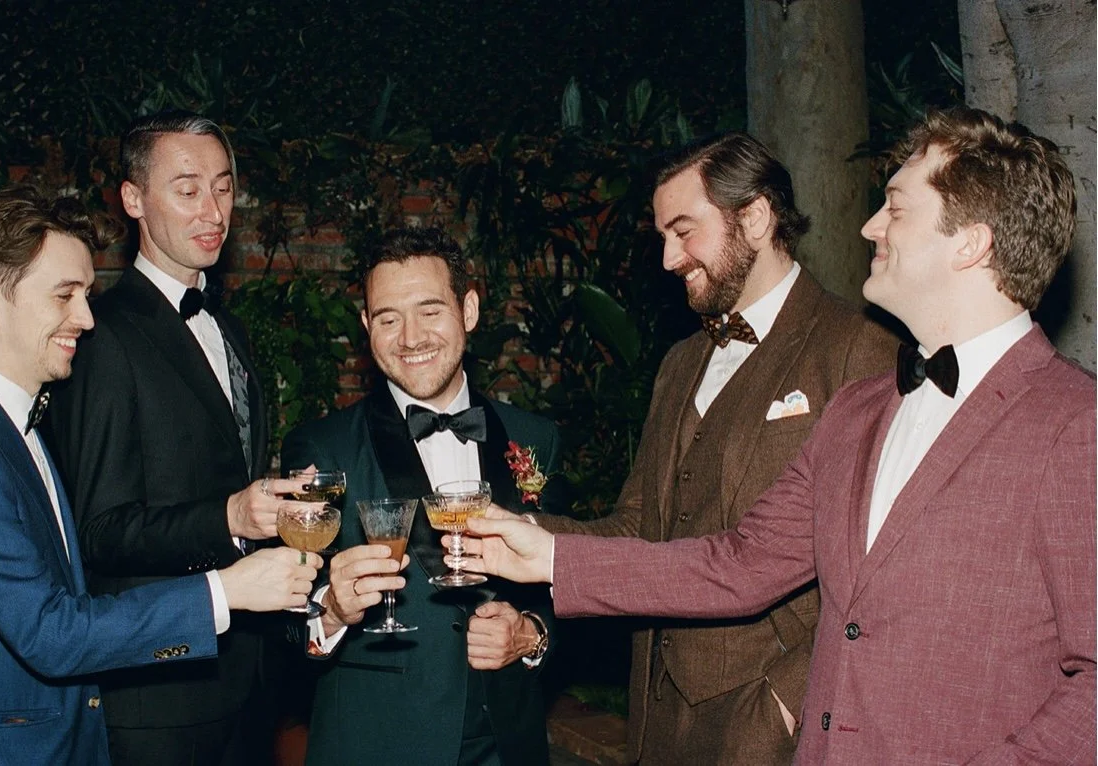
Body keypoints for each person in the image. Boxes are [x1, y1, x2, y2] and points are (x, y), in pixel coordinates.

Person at [459, 106, 1095, 764]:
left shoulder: (1076, 427)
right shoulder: (859, 411)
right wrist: (544, 555)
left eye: (896, 210)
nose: (868, 225)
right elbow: (739, 567)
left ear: (971, 242)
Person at [517, 132, 895, 764]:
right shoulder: (680, 361)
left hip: (775, 728)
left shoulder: (857, 347)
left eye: (684, 231)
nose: (668, 258)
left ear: (755, 216)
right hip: (659, 721)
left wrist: (784, 706)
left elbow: (875, 577)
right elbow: (641, 525)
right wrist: (520, 530)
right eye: (663, 236)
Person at [0, 185, 320, 766]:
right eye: (64, 295)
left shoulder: (9, 422)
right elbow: (50, 633)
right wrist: (227, 590)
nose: (86, 318)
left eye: (86, 294)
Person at [45, 111, 291, 765]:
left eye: (223, 186)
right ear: (133, 200)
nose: (212, 209)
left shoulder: (227, 325)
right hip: (158, 700)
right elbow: (99, 529)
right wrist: (229, 516)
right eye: (187, 189)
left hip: (243, 683)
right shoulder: (103, 336)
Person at [280, 225, 561, 766]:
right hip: (378, 745)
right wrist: (331, 610)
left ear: (469, 310)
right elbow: (280, 630)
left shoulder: (536, 440)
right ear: (367, 326)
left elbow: (572, 584)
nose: (411, 337)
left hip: (509, 746)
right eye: (388, 318)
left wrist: (532, 634)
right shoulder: (321, 447)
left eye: (430, 310)